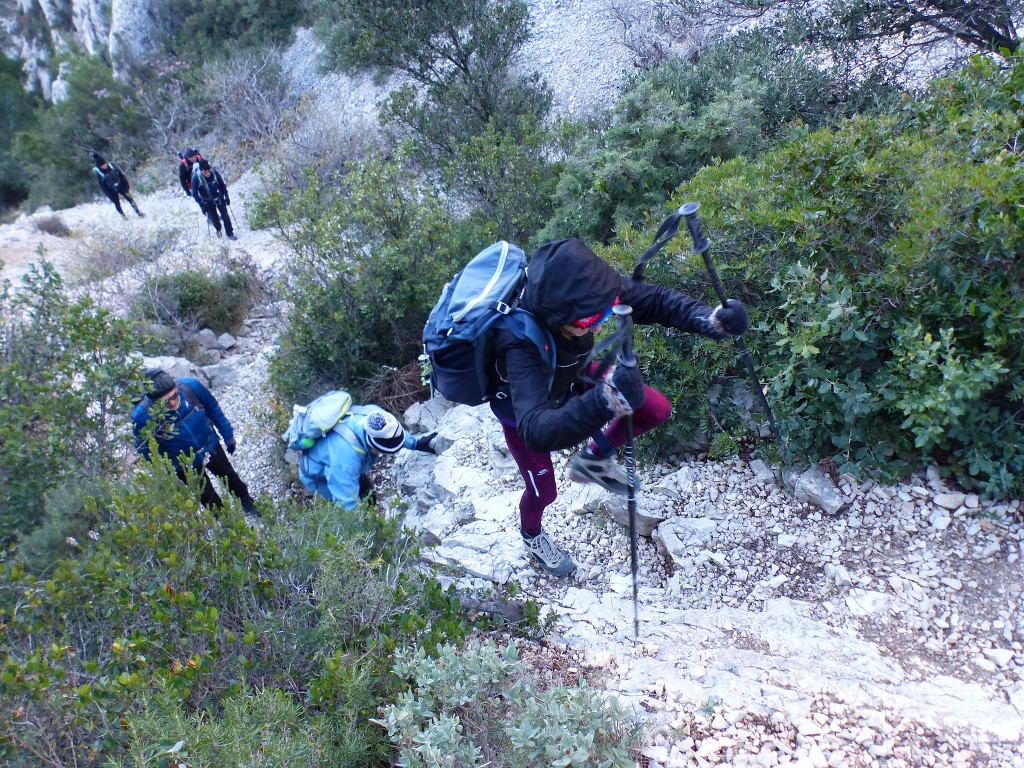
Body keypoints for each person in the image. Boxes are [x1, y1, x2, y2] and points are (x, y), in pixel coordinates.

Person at [488, 238, 749, 577]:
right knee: (543, 492)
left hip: (572, 377)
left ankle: (593, 458)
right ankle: (532, 534)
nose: (599, 326)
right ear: (558, 317)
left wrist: (708, 319)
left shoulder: (590, 290)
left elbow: (653, 301)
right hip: (524, 411)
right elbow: (536, 430)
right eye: (589, 321)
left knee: (653, 408)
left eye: (605, 312)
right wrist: (605, 400)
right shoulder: (519, 344)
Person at [132, 368, 258, 516]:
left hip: (209, 445)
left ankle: (247, 502)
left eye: (175, 396)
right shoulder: (142, 417)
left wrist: (228, 435)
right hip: (183, 463)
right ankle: (229, 524)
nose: (173, 403)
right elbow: (146, 450)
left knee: (230, 476)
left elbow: (213, 408)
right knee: (207, 497)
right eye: (166, 402)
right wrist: (166, 472)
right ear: (154, 402)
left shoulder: (191, 387)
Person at [299, 408, 437, 510]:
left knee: (368, 496)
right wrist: (361, 536)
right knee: (341, 509)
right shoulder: (345, 460)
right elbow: (346, 502)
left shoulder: (375, 417)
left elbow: (392, 432)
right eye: (386, 452)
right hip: (319, 476)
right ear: (374, 448)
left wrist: (415, 443)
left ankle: (372, 512)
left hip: (342, 462)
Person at [191, 159, 236, 240]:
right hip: (207, 202)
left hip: (219, 197)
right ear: (201, 171)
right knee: (215, 218)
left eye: (208, 171)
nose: (207, 173)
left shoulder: (214, 173)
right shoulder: (196, 178)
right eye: (205, 172)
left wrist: (226, 196)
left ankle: (230, 233)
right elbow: (194, 194)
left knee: (225, 216)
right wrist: (202, 204)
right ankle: (218, 229)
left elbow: (222, 184)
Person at [92, 153, 143, 218]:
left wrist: (126, 185)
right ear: (99, 167)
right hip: (111, 190)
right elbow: (103, 187)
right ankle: (123, 216)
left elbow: (121, 175)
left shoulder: (112, 166)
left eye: (105, 164)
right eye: (102, 166)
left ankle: (138, 212)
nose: (105, 166)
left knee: (130, 199)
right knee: (117, 203)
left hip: (121, 186)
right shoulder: (99, 173)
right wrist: (109, 196)